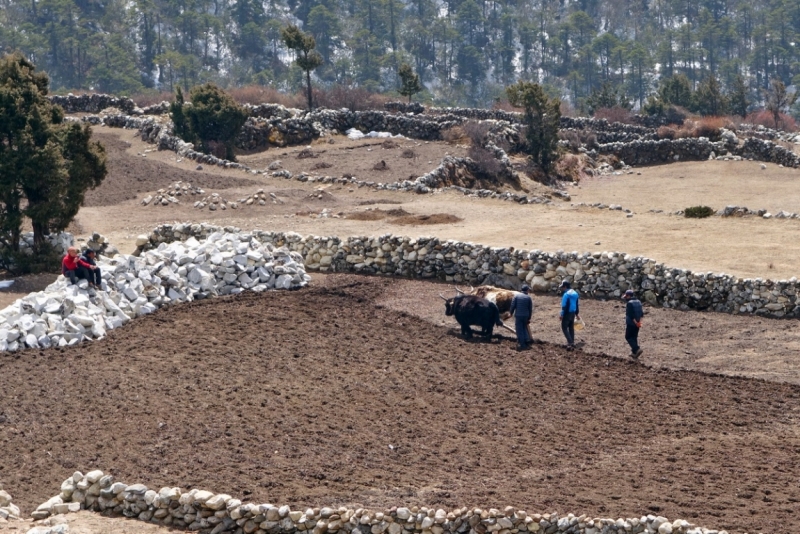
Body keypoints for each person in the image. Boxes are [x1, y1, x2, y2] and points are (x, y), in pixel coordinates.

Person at [509, 284, 533, 350]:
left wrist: (510, 313)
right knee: (524, 327)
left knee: (519, 330)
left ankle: (522, 345)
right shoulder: (528, 298)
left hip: (519, 315)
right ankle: (527, 339)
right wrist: (529, 317)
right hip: (526, 315)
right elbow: (530, 309)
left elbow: (512, 305)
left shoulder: (516, 296)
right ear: (527, 290)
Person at [559, 280, 580, 350]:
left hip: (567, 313)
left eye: (562, 287)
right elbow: (577, 304)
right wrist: (577, 314)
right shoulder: (575, 293)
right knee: (571, 327)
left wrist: (562, 314)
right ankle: (572, 342)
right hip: (573, 313)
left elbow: (564, 306)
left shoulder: (566, 294)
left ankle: (570, 342)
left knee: (564, 327)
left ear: (565, 287)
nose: (562, 289)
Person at [623, 289, 644, 358]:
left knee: (628, 337)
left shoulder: (629, 303)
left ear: (629, 296)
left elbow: (631, 315)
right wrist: (639, 322)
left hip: (631, 324)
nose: (626, 298)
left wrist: (635, 322)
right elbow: (641, 314)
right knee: (634, 337)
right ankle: (634, 353)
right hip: (638, 323)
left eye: (626, 297)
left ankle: (637, 349)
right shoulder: (639, 302)